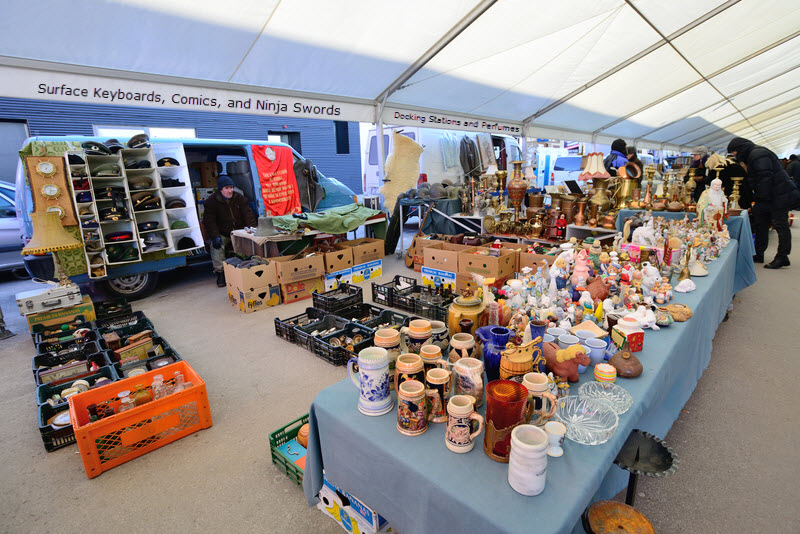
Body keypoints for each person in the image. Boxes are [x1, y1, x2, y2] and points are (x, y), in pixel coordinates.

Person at [727, 137, 800, 269]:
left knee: (780, 225)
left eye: (734, 152)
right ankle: (758, 253)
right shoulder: (755, 153)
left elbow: (764, 178)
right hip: (771, 195)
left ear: (740, 149)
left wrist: (760, 198)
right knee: (761, 223)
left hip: (778, 195)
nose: (734, 155)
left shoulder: (757, 154)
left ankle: (782, 256)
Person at [203, 175, 257, 285]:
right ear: (220, 189)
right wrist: (215, 236)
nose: (230, 190)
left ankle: (249, 268)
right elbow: (209, 221)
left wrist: (252, 230)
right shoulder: (211, 201)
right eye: (227, 188)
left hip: (239, 231)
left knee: (252, 243)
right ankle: (220, 273)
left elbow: (248, 214)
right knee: (217, 246)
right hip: (223, 233)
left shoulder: (240, 198)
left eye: (231, 187)